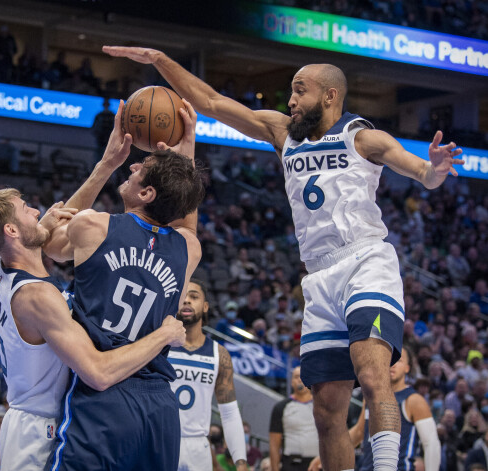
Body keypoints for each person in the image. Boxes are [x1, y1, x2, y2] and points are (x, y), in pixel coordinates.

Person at [104, 45, 464, 471]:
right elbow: (211, 102)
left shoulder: (361, 137)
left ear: (330, 96)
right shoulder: (282, 133)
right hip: (318, 277)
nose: (290, 100)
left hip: (367, 262)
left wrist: (433, 170)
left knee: (372, 377)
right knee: (326, 408)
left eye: (300, 91)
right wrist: (160, 60)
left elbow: (420, 172)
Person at [39, 95, 203, 470]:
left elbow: (51, 244)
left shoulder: (94, 226)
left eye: (136, 171)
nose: (128, 168)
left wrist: (105, 164)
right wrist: (185, 151)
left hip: (105, 394)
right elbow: (186, 219)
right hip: (161, 405)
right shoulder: (188, 250)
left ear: (146, 194)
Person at [0, 192, 187, 467]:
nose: (37, 211)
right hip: (39, 429)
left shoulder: (0, 266)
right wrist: (165, 335)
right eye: (26, 209)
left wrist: (106, 165)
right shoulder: (38, 297)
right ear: (11, 230)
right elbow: (99, 373)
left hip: (25, 418)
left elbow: (61, 227)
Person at [313, 346, 441, 471]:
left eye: (399, 360)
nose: (393, 364)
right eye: (389, 359)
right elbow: (358, 432)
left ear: (407, 368)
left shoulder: (413, 400)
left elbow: (431, 443)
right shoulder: (370, 397)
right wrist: (326, 455)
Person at [168, 279, 248, 471]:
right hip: (161, 441)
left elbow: (228, 413)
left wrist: (241, 461)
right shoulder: (160, 346)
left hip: (199, 446)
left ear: (205, 307)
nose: (187, 301)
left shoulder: (219, 354)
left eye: (194, 296)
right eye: (182, 297)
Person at [269, 366, 318, 471]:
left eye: (303, 376)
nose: (300, 379)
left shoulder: (321, 406)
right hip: (291, 464)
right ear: (291, 382)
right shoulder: (281, 407)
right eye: (296, 377)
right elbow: (274, 444)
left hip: (317, 464)